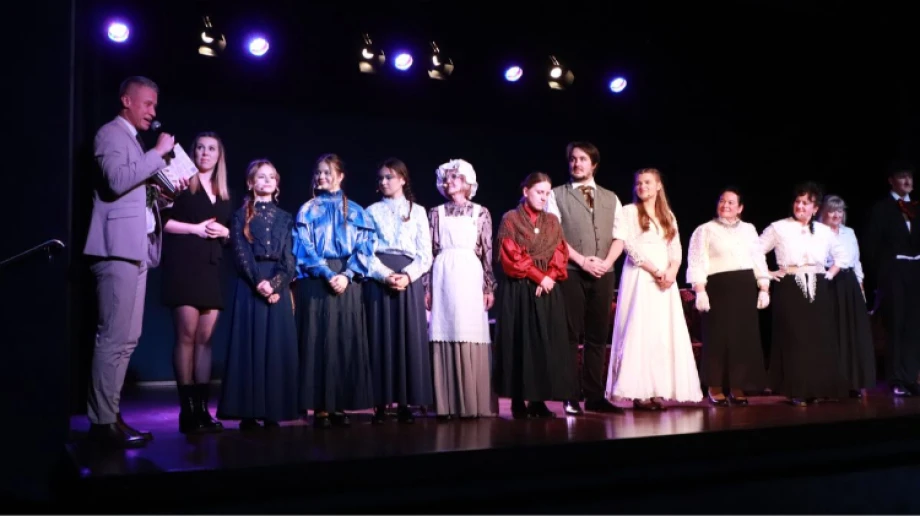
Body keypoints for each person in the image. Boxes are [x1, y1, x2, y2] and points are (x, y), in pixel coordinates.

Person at [82, 75, 186, 448]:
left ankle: (110, 415)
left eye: (155, 105)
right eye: (148, 103)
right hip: (116, 248)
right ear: (126, 100)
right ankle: (101, 423)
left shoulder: (134, 142)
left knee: (129, 338)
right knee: (113, 337)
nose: (153, 112)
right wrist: (157, 153)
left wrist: (162, 193)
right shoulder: (111, 134)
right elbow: (115, 180)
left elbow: (132, 190)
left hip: (137, 248)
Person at [605, 168, 703, 410]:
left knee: (660, 332)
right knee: (640, 330)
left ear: (659, 186)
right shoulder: (629, 211)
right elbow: (628, 245)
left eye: (648, 182)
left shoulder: (667, 215)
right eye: (639, 183)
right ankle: (639, 392)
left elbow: (675, 247)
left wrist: (671, 271)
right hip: (641, 276)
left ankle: (657, 388)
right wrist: (656, 271)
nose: (642, 186)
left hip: (665, 280)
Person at [293, 154, 376, 428]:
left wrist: (347, 275)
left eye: (327, 172)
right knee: (317, 340)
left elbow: (365, 246)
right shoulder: (307, 210)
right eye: (318, 172)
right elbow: (303, 246)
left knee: (344, 339)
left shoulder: (357, 211)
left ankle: (340, 403)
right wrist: (328, 273)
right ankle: (319, 405)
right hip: (317, 278)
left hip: (346, 278)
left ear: (340, 176)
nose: (321, 177)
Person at [217, 160, 299, 430]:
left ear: (277, 183)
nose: (266, 181)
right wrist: (259, 284)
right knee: (249, 345)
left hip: (277, 284)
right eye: (261, 177)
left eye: (271, 177)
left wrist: (276, 285)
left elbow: (290, 258)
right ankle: (248, 411)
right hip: (250, 284)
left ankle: (273, 410)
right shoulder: (240, 215)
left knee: (275, 346)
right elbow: (241, 253)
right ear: (250, 182)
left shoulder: (285, 217)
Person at [544, 141, 625, 415]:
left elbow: (620, 236)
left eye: (582, 159)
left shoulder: (611, 198)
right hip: (572, 271)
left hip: (604, 272)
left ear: (594, 165)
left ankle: (594, 396)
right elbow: (555, 236)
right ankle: (569, 396)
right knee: (570, 335)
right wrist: (581, 261)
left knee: (597, 336)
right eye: (573, 159)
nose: (576, 163)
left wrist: (606, 263)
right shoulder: (557, 195)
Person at [160, 132, 231, 434]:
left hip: (211, 269)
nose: (205, 152)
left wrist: (226, 233)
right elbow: (162, 221)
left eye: (211, 148)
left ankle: (203, 410)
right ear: (193, 152)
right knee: (186, 337)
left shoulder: (223, 192)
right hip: (184, 266)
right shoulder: (181, 182)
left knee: (205, 340)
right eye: (200, 147)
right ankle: (187, 411)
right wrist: (195, 229)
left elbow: (232, 231)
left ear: (219, 155)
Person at [492, 172, 578, 419]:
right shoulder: (511, 219)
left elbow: (560, 252)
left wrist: (550, 275)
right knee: (520, 341)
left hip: (547, 289)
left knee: (543, 343)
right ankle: (518, 400)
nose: (543, 197)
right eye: (539, 192)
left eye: (547, 193)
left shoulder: (552, 221)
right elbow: (511, 256)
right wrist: (539, 276)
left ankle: (538, 401)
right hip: (519, 288)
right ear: (525, 191)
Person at [759, 181, 848, 406]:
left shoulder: (824, 231)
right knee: (795, 338)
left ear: (815, 208)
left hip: (818, 284)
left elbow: (841, 255)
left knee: (819, 337)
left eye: (806, 203)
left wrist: (829, 274)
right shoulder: (779, 227)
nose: (800, 206)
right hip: (790, 284)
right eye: (798, 201)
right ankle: (796, 389)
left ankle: (818, 388)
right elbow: (755, 250)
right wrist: (767, 273)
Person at [425, 158, 497, 420]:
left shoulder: (481, 212)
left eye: (456, 177)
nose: (450, 181)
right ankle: (446, 404)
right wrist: (427, 286)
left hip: (469, 273)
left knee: (470, 330)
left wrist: (488, 287)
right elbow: (430, 251)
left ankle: (472, 402)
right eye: (447, 177)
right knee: (445, 329)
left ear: (468, 182)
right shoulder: (435, 213)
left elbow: (487, 252)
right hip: (443, 274)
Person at [686, 187, 770, 406]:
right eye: (722, 201)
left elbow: (758, 258)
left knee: (743, 339)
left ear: (740, 208)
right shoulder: (705, 229)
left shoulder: (749, 229)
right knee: (718, 338)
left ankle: (737, 386)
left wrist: (763, 286)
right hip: (719, 288)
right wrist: (700, 290)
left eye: (731, 202)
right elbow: (696, 261)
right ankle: (714, 386)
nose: (726, 205)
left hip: (744, 288)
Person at [364, 158, 433, 424]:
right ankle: (381, 403)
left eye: (389, 177)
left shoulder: (418, 211)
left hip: (408, 277)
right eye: (380, 178)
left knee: (408, 338)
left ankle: (406, 402)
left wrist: (407, 276)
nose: (384, 182)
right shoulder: (371, 211)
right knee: (380, 337)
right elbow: (365, 252)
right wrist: (385, 275)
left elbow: (425, 254)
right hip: (380, 277)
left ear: (403, 179)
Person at [864, 163, 920, 397]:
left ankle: (910, 376)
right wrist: (882, 275)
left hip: (916, 270)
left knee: (914, 325)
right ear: (891, 180)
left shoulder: (917, 206)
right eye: (902, 177)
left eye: (910, 177)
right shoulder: (881, 208)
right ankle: (896, 379)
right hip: (894, 271)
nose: (907, 181)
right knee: (896, 325)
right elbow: (872, 246)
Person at [818, 195, 876, 398]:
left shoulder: (849, 232)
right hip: (828, 283)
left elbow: (856, 260)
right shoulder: (817, 232)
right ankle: (830, 383)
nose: (836, 215)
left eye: (840, 211)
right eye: (832, 210)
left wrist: (860, 285)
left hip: (849, 284)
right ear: (823, 212)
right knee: (832, 333)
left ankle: (853, 382)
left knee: (852, 334)